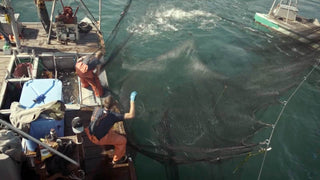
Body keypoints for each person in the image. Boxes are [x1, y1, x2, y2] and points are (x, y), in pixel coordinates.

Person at [84, 91, 137, 165]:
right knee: (123, 141)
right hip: (97, 139)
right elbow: (131, 115)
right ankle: (116, 160)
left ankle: (106, 139)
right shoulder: (113, 116)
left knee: (111, 130)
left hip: (89, 132)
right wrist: (132, 100)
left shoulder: (97, 109)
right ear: (114, 105)